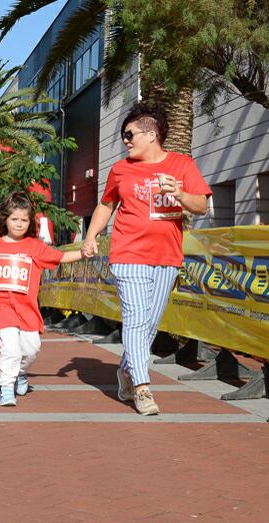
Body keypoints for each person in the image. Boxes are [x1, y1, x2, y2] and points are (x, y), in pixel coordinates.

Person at [81, 103, 211, 415]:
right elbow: (105, 205)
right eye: (123, 135)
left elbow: (201, 206)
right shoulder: (121, 169)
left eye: (130, 134)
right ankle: (142, 386)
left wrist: (179, 194)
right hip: (128, 254)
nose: (125, 140)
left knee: (149, 324)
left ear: (151, 134)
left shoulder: (182, 164)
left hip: (167, 257)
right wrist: (90, 236)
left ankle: (126, 370)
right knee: (137, 319)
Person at [0, 191, 84, 407]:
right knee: (10, 349)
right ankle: (6, 388)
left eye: (24, 220)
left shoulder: (35, 246)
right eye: (14, 219)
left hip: (29, 309)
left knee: (31, 349)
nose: (19, 224)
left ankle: (20, 374)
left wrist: (83, 253)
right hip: (3, 307)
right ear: (5, 219)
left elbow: (60, 257)